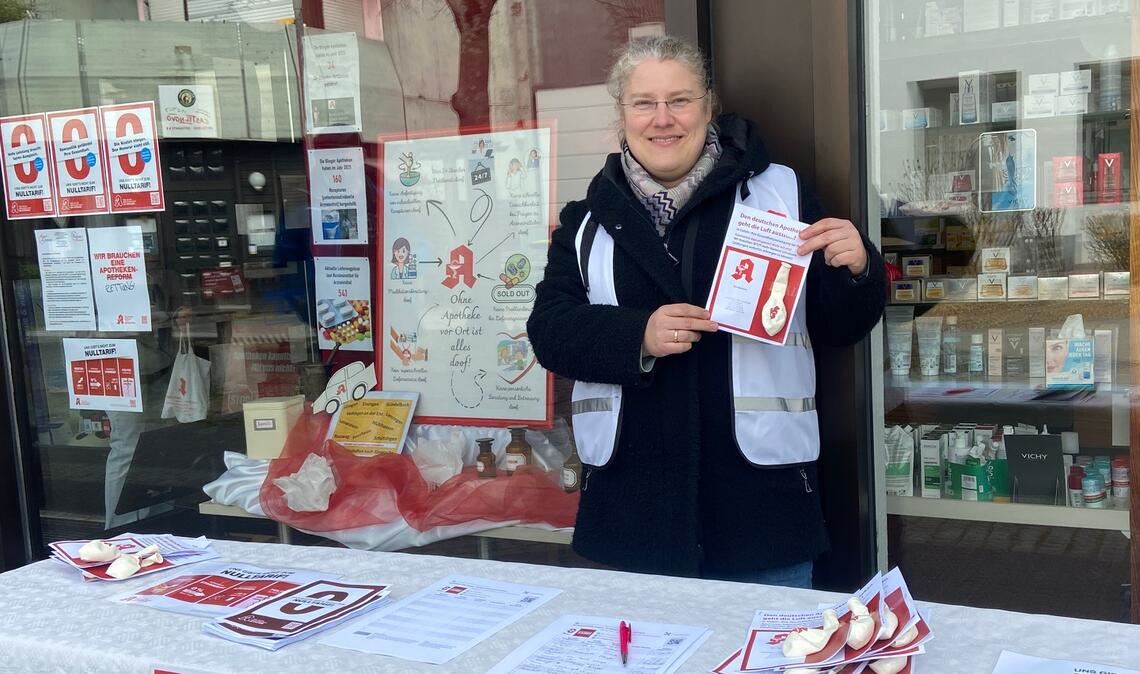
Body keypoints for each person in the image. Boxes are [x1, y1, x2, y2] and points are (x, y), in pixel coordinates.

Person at [527, 36, 885, 587]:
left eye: (680, 100)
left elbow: (838, 325)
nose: (662, 119)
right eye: (644, 103)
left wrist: (857, 269)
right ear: (621, 115)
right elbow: (550, 331)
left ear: (708, 107)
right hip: (633, 513)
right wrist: (638, 336)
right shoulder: (585, 220)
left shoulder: (780, 193)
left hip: (761, 511)